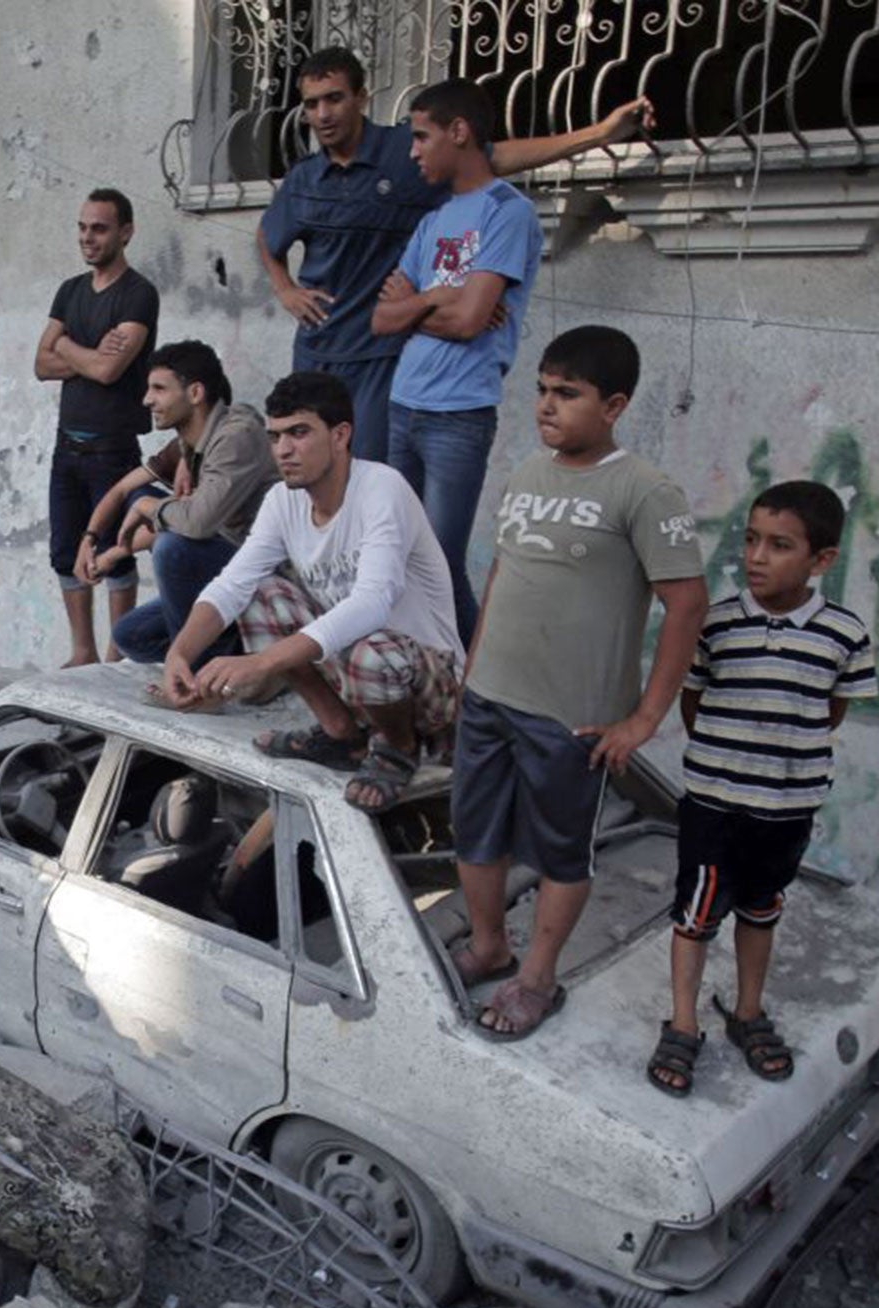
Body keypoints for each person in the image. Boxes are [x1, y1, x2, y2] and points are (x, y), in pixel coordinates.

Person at [453, 325, 708, 1040]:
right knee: (473, 834)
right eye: (541, 390)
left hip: (573, 719)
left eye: (567, 394)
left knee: (560, 851)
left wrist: (643, 720)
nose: (546, 406)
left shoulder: (645, 490)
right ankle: (487, 945)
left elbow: (687, 604)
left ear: (615, 405)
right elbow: (502, 574)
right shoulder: (529, 474)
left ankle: (536, 978)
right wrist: (472, 671)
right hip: (489, 700)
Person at [259, 47, 649, 464]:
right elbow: (268, 237)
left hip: (381, 356)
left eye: (334, 98)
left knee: (368, 476)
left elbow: (492, 158)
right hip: (317, 353)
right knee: (308, 476)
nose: (323, 115)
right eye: (311, 104)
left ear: (361, 97)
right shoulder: (304, 178)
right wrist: (284, 289)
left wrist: (600, 135)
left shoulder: (405, 152)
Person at [651, 482, 877, 1096]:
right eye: (751, 540)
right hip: (715, 807)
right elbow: (693, 700)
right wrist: (730, 761)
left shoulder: (843, 634)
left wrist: (778, 763)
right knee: (695, 917)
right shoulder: (717, 624)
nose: (756, 556)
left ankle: (747, 1011)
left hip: (786, 811)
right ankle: (683, 1022)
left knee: (761, 909)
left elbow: (830, 712)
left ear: (821, 560)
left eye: (779, 546)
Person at [161, 370, 463, 814]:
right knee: (262, 593)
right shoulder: (283, 501)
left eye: (299, 433)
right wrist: (179, 654)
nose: (283, 450)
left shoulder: (382, 488)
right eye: (276, 436)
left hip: (429, 682)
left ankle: (398, 749)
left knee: (370, 649)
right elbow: (233, 583)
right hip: (358, 679)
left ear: (340, 435)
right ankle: (341, 734)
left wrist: (260, 664)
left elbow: (373, 603)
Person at [370, 79, 544, 646]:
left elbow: (470, 322)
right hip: (405, 405)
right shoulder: (433, 220)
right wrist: (434, 300)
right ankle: (421, 695)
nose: (413, 151)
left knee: (437, 566)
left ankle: (474, 700)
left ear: (459, 131)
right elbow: (380, 320)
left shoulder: (506, 212)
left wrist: (416, 306)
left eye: (422, 136)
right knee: (396, 559)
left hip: (458, 415)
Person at [75, 340, 276, 666]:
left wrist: (147, 510)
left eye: (159, 389)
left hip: (265, 576)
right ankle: (233, 658)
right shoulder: (191, 440)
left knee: (173, 546)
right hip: (226, 562)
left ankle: (196, 674)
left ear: (195, 393)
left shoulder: (236, 436)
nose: (147, 400)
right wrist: (107, 546)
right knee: (130, 635)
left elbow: (197, 523)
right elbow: (133, 497)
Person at [36, 188, 161, 667]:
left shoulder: (138, 293)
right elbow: (39, 362)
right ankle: (83, 653)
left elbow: (110, 372)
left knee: (117, 550)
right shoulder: (70, 290)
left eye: (100, 228)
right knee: (66, 551)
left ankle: (115, 655)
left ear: (125, 232)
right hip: (67, 444)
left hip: (113, 447)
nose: (88, 237)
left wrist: (66, 345)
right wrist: (84, 353)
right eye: (83, 227)